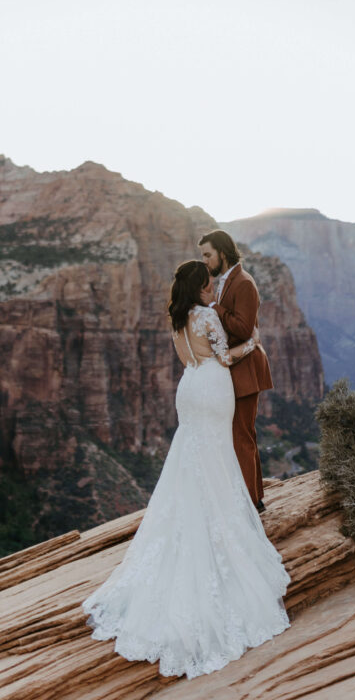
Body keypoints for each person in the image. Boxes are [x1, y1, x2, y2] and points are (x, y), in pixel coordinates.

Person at [82, 260, 290, 679]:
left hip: (189, 389)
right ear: (198, 287)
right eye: (209, 283)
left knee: (190, 460)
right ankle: (222, 534)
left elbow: (193, 358)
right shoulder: (208, 316)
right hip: (213, 389)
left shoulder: (178, 321)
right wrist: (254, 345)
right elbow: (225, 358)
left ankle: (191, 526)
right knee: (216, 459)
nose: (213, 287)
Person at [198, 230, 273, 512]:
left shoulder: (243, 283)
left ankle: (251, 503)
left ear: (222, 253)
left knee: (242, 434)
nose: (205, 261)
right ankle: (255, 497)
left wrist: (213, 306)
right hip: (237, 368)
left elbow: (243, 328)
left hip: (246, 370)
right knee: (242, 433)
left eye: (208, 255)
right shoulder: (228, 281)